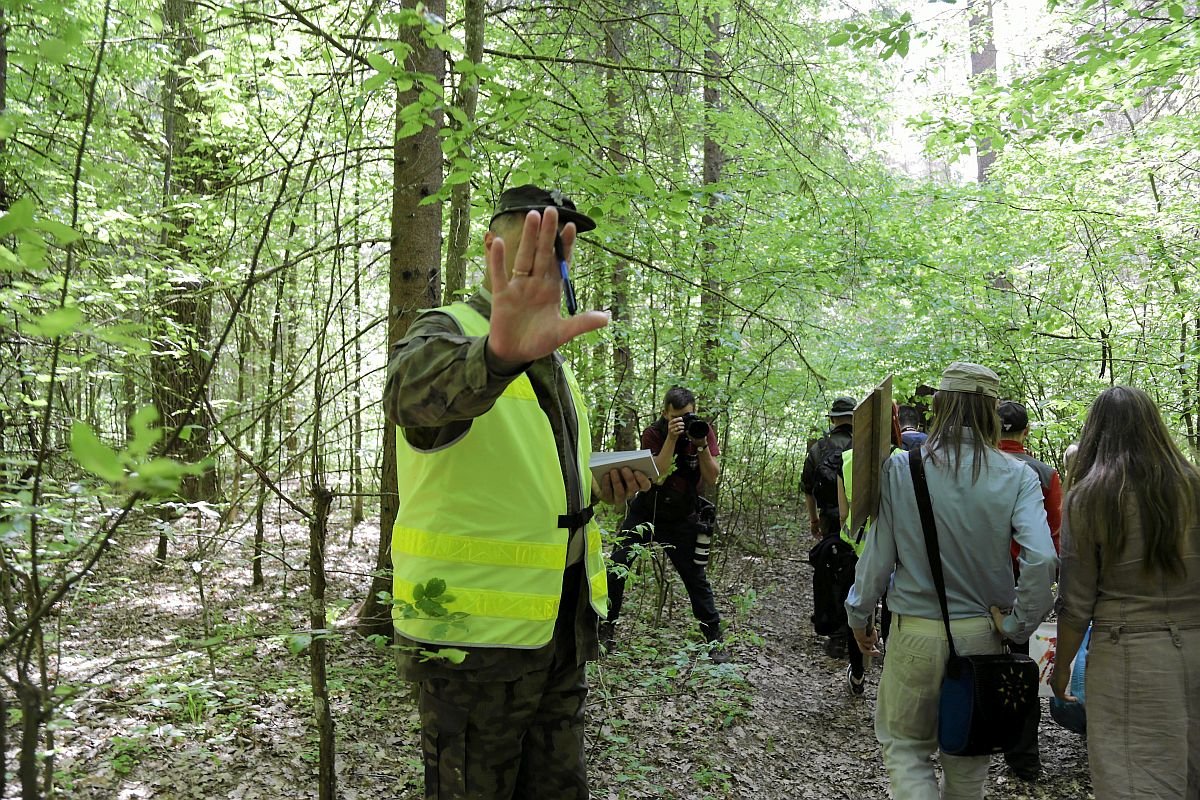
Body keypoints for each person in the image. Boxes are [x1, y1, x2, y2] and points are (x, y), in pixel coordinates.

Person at [383, 185, 651, 800]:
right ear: (490, 247)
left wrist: (599, 487)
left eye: (559, 243)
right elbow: (407, 396)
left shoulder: (555, 361)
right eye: (530, 236)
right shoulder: (451, 332)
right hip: (471, 645)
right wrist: (497, 354)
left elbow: (527, 478)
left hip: (559, 630)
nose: (548, 254)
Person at [845, 362, 1057, 800]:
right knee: (967, 760)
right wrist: (1018, 626)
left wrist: (858, 614)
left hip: (913, 635)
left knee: (906, 751)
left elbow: (878, 555)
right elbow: (1041, 558)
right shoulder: (1018, 475)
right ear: (992, 413)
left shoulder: (902, 468)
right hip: (983, 636)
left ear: (939, 405)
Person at [1051, 386, 1200, 800]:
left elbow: (1076, 602)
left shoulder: (1090, 498)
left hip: (1129, 654)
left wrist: (1061, 668)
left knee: (1135, 778)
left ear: (1096, 431)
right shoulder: (1194, 487)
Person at [601, 386, 728, 662]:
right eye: (678, 416)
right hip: (646, 511)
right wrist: (672, 437)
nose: (685, 420)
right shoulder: (654, 433)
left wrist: (702, 444)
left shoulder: (702, 431)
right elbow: (656, 475)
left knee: (695, 578)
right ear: (665, 414)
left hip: (682, 517)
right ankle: (605, 629)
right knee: (617, 567)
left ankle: (714, 638)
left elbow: (712, 476)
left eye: (690, 414)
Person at [997, 400, 1063, 781]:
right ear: (1025, 432)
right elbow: (1054, 534)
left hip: (975, 582)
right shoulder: (1045, 473)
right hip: (1026, 581)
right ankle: (1023, 759)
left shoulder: (975, 468)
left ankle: (970, 741)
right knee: (1022, 667)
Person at [835, 402, 902, 695]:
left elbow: (842, 512)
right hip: (897, 549)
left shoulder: (847, 459)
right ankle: (889, 669)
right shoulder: (905, 461)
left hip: (859, 547)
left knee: (859, 607)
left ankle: (858, 673)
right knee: (890, 607)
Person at [802, 397, 855, 657]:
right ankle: (855, 629)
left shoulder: (818, 449)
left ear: (832, 419)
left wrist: (814, 520)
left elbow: (808, 490)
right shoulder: (864, 446)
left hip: (829, 519)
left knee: (830, 569)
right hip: (859, 521)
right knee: (855, 571)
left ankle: (835, 633)